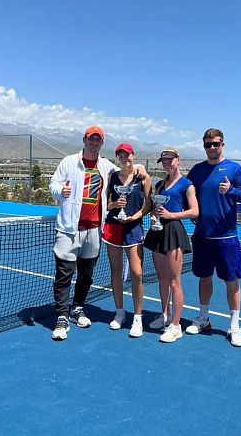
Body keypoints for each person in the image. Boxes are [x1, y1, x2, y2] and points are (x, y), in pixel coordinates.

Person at [49, 126, 147, 341]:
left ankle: (77, 307)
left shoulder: (106, 166)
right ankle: (62, 316)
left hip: (94, 230)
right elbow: (53, 183)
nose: (94, 143)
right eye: (91, 139)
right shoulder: (68, 162)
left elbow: (126, 169)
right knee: (64, 274)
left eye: (98, 140)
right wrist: (60, 191)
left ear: (102, 143)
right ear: (84, 140)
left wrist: (139, 166)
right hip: (69, 229)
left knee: (86, 275)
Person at [186, 128, 241, 347]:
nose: (212, 148)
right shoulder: (197, 170)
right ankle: (204, 319)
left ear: (222, 144)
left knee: (231, 281)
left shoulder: (234, 169)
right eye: (208, 144)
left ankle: (234, 325)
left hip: (226, 237)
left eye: (215, 144)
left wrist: (231, 190)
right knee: (204, 278)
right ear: (204, 146)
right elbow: (186, 194)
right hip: (202, 237)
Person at [144, 148, 199, 343]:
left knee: (175, 280)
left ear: (178, 160)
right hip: (157, 232)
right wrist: (154, 216)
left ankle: (176, 326)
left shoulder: (187, 185)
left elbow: (195, 211)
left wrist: (171, 215)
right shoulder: (160, 185)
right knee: (162, 278)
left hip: (174, 231)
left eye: (170, 160)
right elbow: (155, 208)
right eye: (164, 161)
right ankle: (165, 315)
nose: (167, 164)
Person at [103, 143, 152, 337]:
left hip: (133, 228)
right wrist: (115, 204)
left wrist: (135, 217)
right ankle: (120, 313)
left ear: (133, 155)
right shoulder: (112, 177)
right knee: (115, 270)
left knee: (137, 273)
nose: (125, 158)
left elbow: (148, 204)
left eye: (127, 155)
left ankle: (137, 318)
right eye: (121, 156)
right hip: (113, 227)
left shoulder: (143, 177)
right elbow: (105, 204)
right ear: (117, 158)